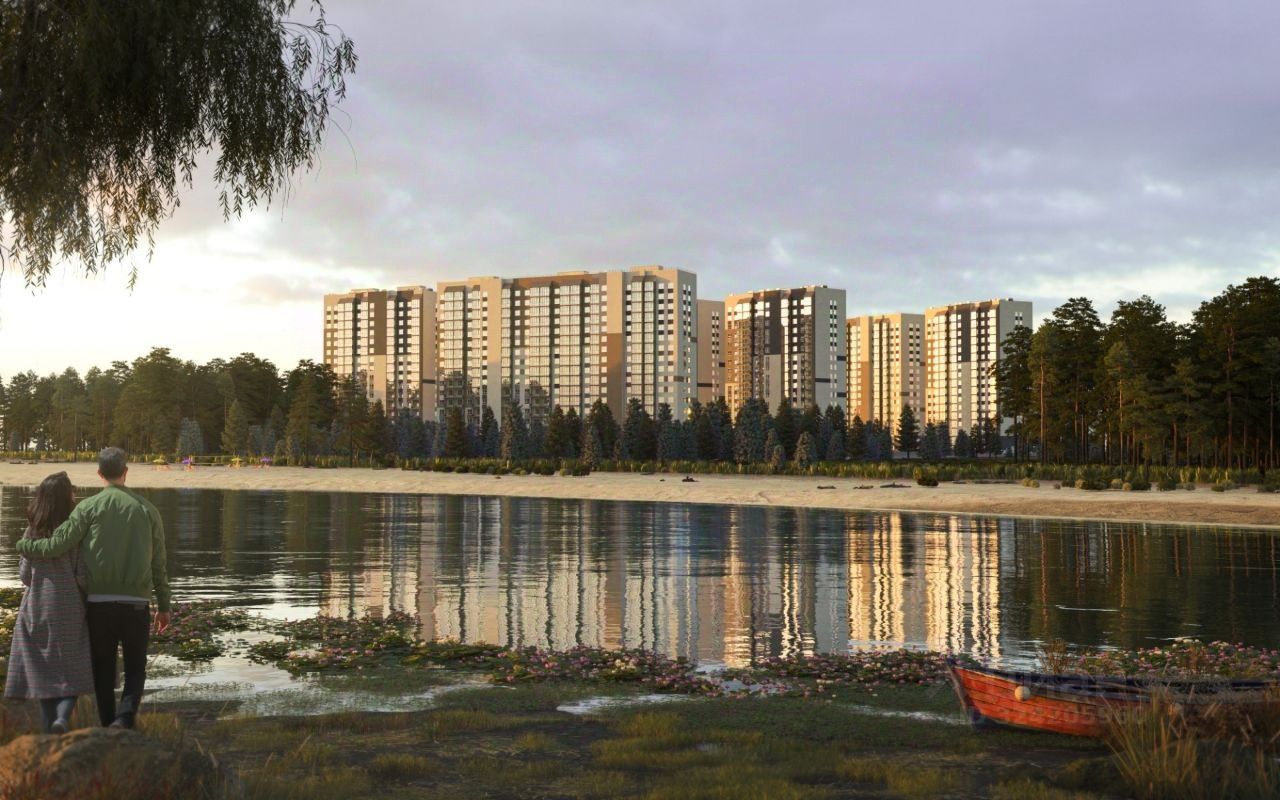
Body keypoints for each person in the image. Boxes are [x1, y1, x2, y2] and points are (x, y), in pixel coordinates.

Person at [17, 448, 171, 729]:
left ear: (99, 474)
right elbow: (158, 565)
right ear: (126, 471)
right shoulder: (148, 510)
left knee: (103, 668)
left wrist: (24, 545)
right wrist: (163, 606)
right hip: (136, 603)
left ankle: (107, 723)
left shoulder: (87, 508)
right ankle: (124, 719)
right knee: (136, 668)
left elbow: (56, 546)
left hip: (99, 604)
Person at [4, 472, 95, 733]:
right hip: (69, 607)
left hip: (36, 607)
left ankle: (48, 731)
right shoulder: (76, 531)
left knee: (41, 670)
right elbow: (82, 575)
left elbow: (25, 576)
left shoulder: (32, 531)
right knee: (72, 670)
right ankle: (62, 719)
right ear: (66, 498)